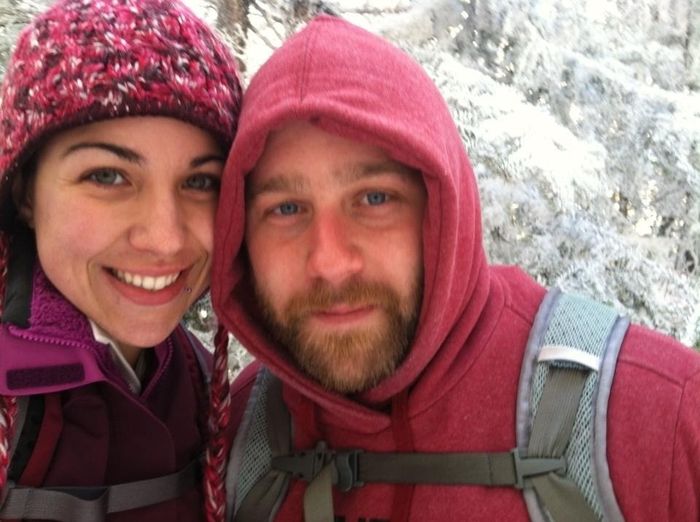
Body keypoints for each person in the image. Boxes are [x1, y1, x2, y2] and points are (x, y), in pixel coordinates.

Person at [211, 14, 700, 522]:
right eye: (286, 209)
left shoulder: (661, 416)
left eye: (375, 199)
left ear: (442, 211)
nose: (330, 263)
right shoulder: (241, 438)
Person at [0, 0, 241, 520]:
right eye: (108, 176)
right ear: (25, 194)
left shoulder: (206, 388)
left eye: (201, 181)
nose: (165, 239)